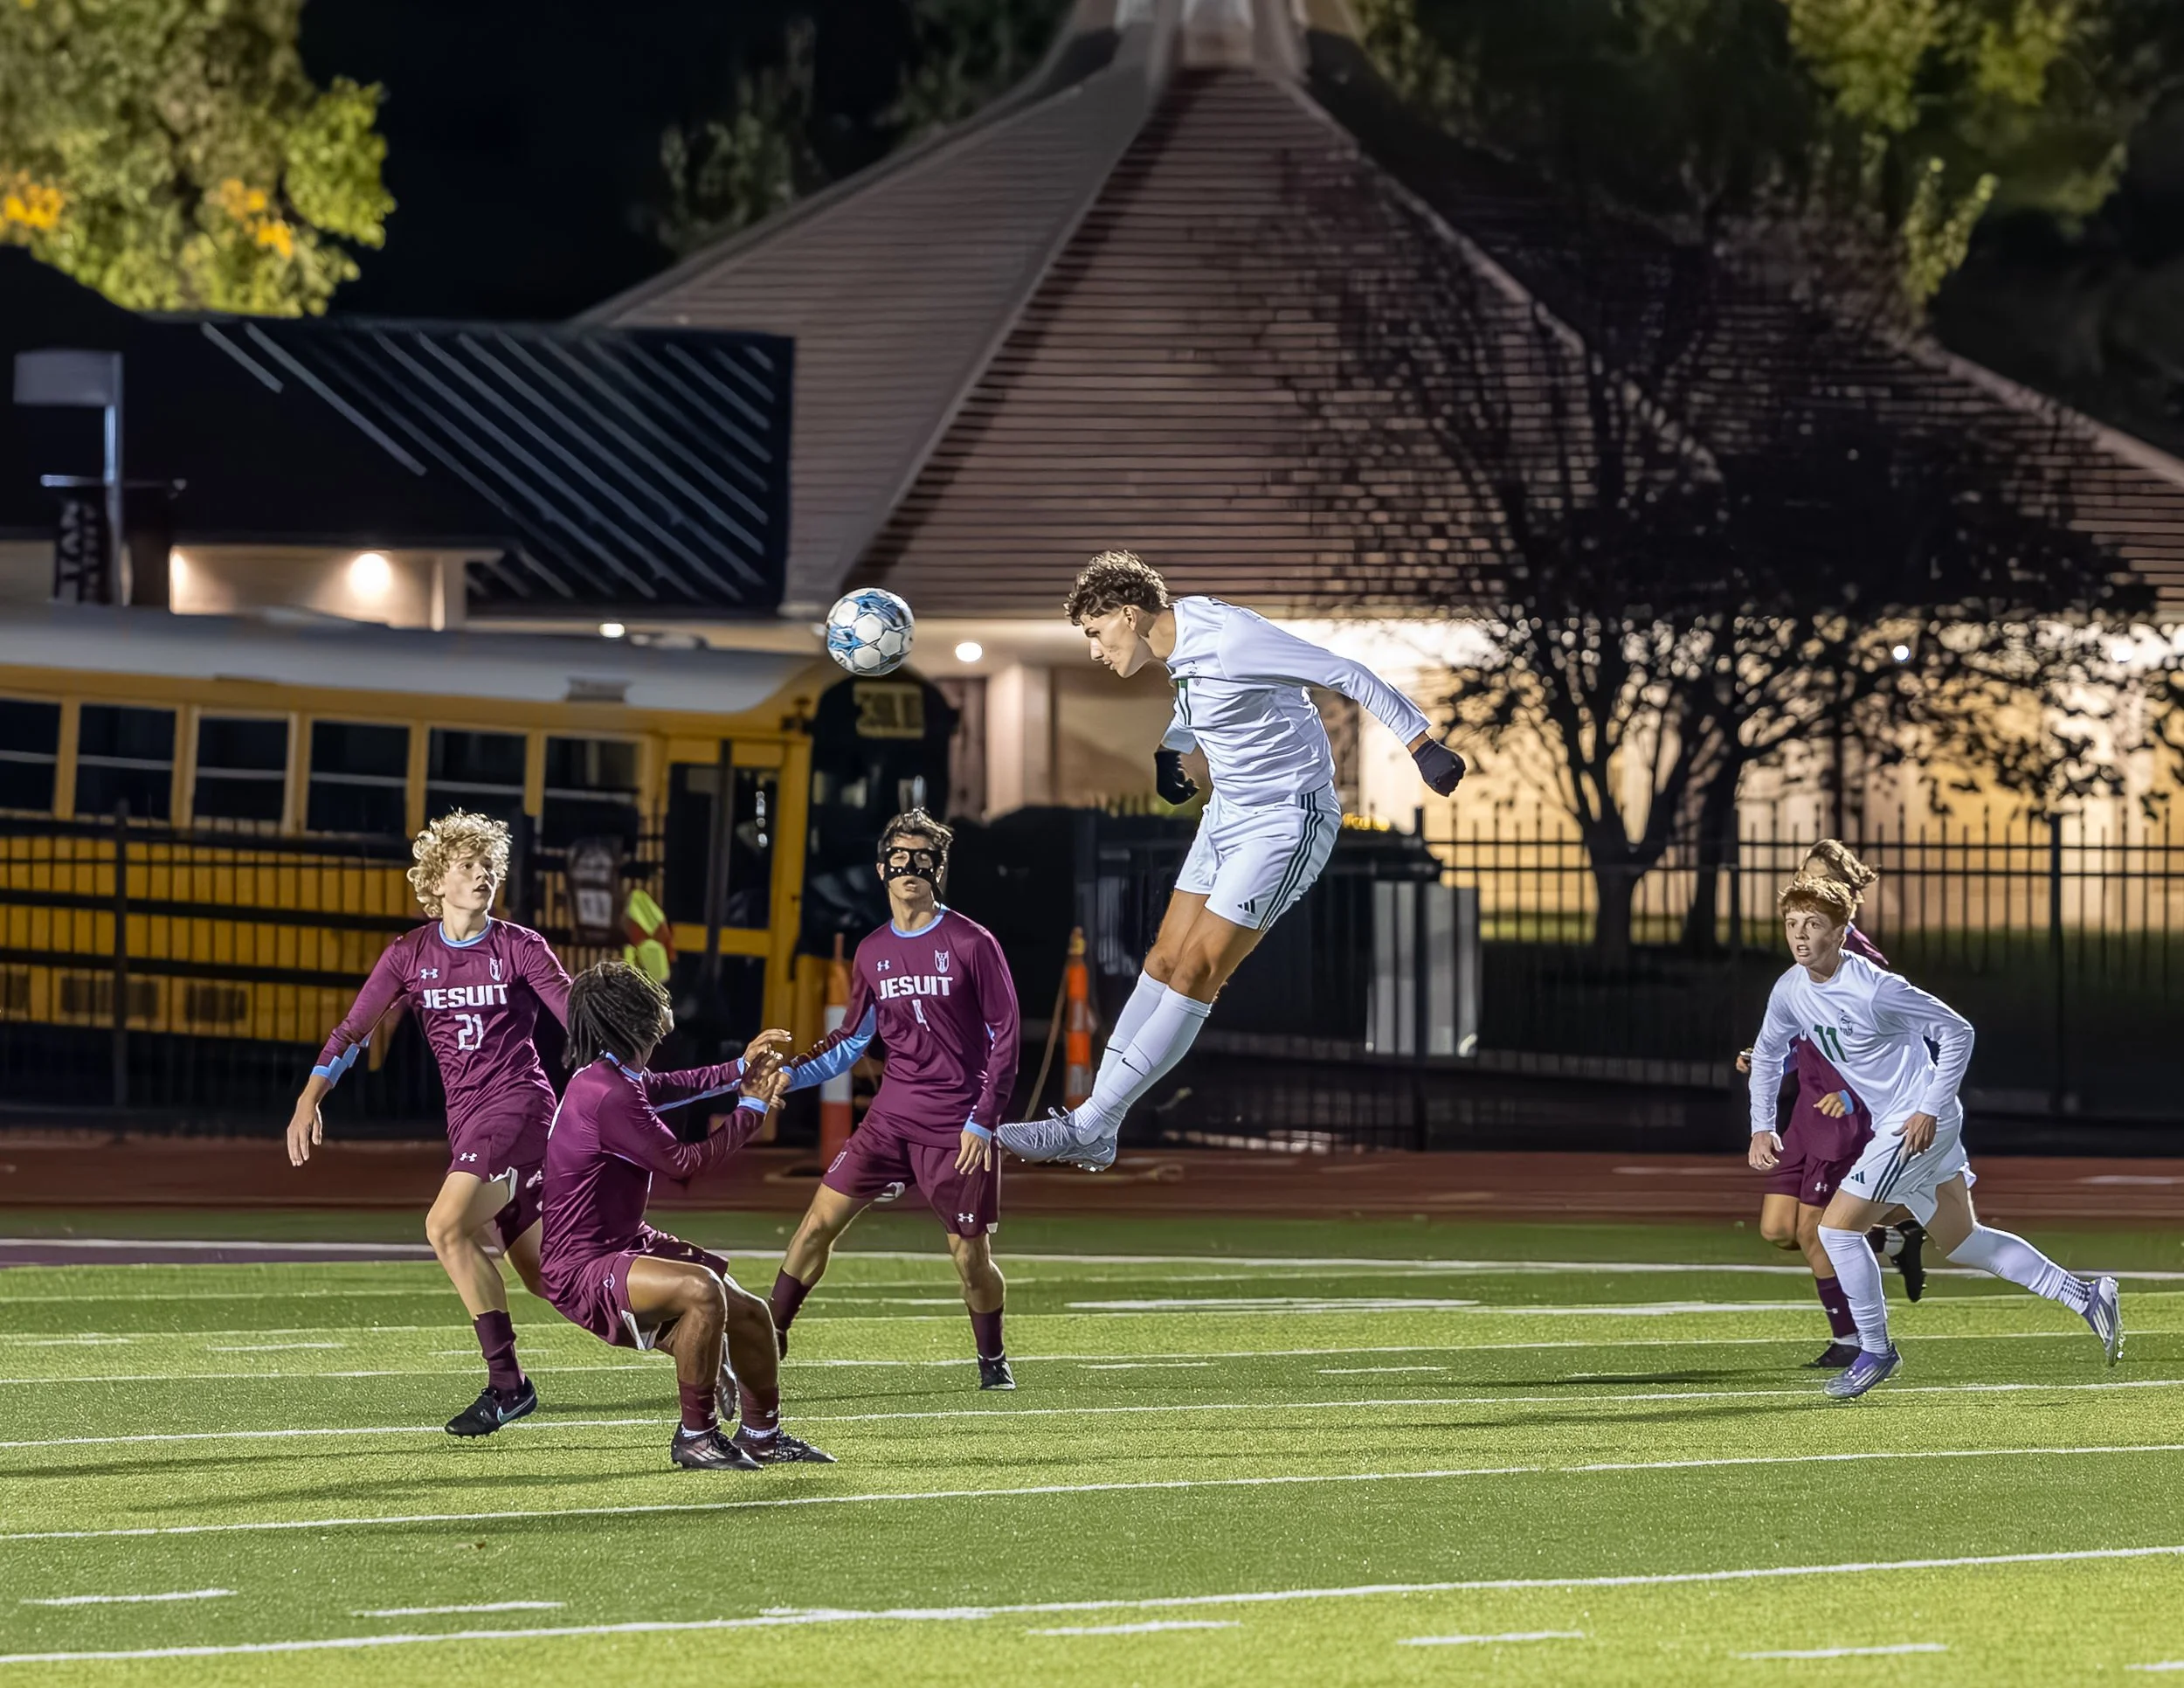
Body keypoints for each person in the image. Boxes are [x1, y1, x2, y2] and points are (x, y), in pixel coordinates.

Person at [999, 550, 1466, 1170]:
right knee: (1164, 960)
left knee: (1196, 970)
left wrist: (1422, 744)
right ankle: (1098, 1125)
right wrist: (1173, 750)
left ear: (1130, 616)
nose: (1094, 650)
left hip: (1286, 821)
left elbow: (1345, 672)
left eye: (1095, 633)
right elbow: (1200, 699)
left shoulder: (1234, 638)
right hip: (1227, 817)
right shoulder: (1181, 643)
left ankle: (1091, 1123)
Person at [1746, 877, 2122, 1400]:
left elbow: (1958, 1032)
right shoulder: (1791, 988)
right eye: (1792, 924)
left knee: (1836, 1232)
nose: (1800, 935)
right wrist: (1761, 1124)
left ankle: (1875, 1350)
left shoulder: (1877, 988)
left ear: (1842, 932)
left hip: (1917, 1123)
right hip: (1909, 1123)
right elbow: (1767, 1053)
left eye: (1814, 925)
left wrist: (1928, 1108)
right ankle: (2086, 1295)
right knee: (1964, 1240)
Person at [287, 811, 571, 1436]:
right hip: (470, 1123)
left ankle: (508, 1386)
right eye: (467, 866)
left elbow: (577, 1014)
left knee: (443, 1227)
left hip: (520, 1108)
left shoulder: (520, 946)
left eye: (489, 866)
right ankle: (689, 1327)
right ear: (437, 881)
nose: (481, 876)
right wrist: (311, 1098)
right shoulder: (410, 954)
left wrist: (628, 1042)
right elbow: (352, 1031)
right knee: (552, 1280)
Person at [538, 960, 833, 1470]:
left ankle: (763, 1435)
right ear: (632, 1018)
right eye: (647, 996)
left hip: (622, 1242)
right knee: (702, 1290)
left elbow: (669, 1086)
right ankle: (696, 1435)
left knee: (753, 1315)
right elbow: (684, 1165)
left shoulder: (611, 1075)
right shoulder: (607, 1094)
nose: (660, 999)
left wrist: (739, 1069)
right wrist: (751, 1111)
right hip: (582, 1265)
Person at [769, 811, 1023, 1389]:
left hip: (956, 1129)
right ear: (883, 869)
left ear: (939, 870)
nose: (911, 871)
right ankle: (770, 1335)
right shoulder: (872, 952)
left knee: (970, 1259)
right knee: (814, 1226)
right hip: (889, 1121)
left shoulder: (972, 943)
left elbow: (1006, 1038)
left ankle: (992, 1358)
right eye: (900, 860)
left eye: (923, 860)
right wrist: (791, 1075)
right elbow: (850, 1041)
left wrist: (983, 1122)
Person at [1740, 841, 1925, 1367]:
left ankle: (1853, 1341)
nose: (1806, 882)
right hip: (1807, 1109)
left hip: (1844, 1115)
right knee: (1778, 1230)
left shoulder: (1859, 958)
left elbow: (1899, 1038)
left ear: (1845, 894)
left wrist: (1852, 1092)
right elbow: (1808, 1031)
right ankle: (1893, 1240)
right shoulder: (1805, 944)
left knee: (1815, 1232)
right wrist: (1768, 1058)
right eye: (1803, 872)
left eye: (1819, 876)